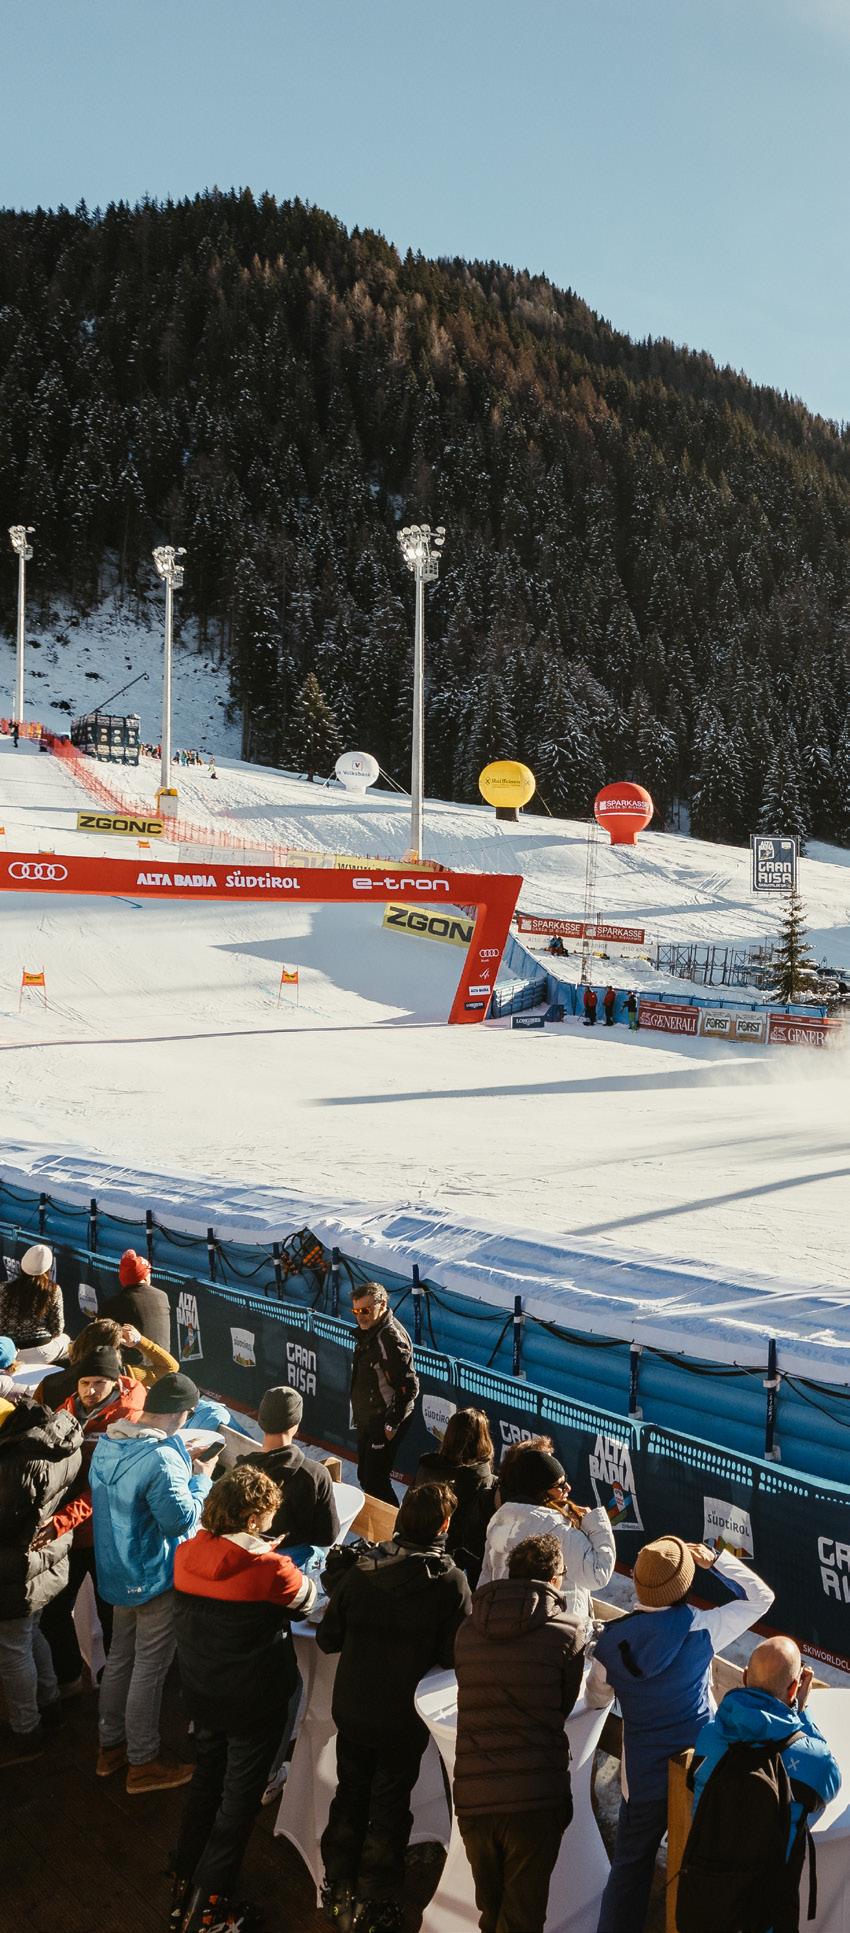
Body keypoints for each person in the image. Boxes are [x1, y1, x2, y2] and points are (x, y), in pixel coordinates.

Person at [586, 1533, 776, 1933]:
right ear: (686, 1583)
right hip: (700, 1774)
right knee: (704, 1863)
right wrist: (717, 1561)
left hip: (641, 1782)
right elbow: (762, 1598)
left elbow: (597, 1696)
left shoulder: (611, 1641)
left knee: (629, 1871)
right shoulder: (704, 1627)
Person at [318, 1480, 471, 1933]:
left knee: (350, 1793)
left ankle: (338, 1885)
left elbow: (328, 1638)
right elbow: (452, 1654)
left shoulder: (361, 1570)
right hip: (402, 1718)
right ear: (444, 1526)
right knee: (389, 1805)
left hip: (353, 1708)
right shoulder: (450, 1582)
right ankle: (376, 1900)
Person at [171, 1464, 318, 1933]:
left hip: (203, 1692)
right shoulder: (269, 1567)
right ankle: (207, 1911)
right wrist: (272, 1554)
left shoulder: (186, 1554)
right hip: (254, 1703)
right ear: (253, 1518)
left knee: (205, 1783)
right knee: (237, 1806)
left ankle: (184, 1882)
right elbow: (309, 1600)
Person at [454, 1533, 586, 1933]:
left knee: (492, 1913)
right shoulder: (568, 1632)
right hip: (534, 1798)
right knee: (522, 1920)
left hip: (475, 1798)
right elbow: (561, 1707)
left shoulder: (468, 1629)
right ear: (555, 1578)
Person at [90, 1370, 215, 1793]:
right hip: (154, 1576)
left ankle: (110, 1747)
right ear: (183, 1413)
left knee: (119, 1659)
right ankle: (143, 1762)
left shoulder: (109, 1442)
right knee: (149, 1668)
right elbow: (180, 1520)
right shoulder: (161, 1458)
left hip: (117, 1569)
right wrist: (201, 1478)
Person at [680, 1635, 841, 1933]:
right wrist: (801, 1712)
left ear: (744, 1677)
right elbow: (830, 1780)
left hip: (704, 1905)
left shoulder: (710, 1737)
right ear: (794, 1688)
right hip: (763, 1918)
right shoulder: (809, 1758)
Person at [40, 1345, 146, 1693]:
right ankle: (70, 1677)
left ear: (115, 1382)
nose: (90, 1390)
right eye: (85, 1382)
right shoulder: (66, 1409)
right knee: (53, 1612)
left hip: (108, 1537)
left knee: (112, 1617)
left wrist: (60, 1522)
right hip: (70, 1535)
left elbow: (104, 1488)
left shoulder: (127, 1422)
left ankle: (113, 1688)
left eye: (99, 1382)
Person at [0, 1392, 83, 1765]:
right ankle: (50, 1707)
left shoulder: (15, 1465)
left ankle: (26, 1732)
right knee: (31, 1635)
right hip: (38, 1568)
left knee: (12, 1650)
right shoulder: (55, 1441)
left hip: (13, 1573)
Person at [479, 1447, 615, 1628]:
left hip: (504, 1626)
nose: (568, 1487)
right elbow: (597, 1574)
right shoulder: (559, 1530)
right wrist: (596, 1524)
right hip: (558, 1630)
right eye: (560, 1484)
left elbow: (485, 1580)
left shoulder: (501, 1520)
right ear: (541, 1491)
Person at [236, 1385, 340, 1550]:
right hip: (292, 1557)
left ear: (261, 1421)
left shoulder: (241, 1469)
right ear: (295, 1424)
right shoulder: (315, 1473)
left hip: (249, 1552)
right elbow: (328, 1536)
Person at [350, 1283, 419, 1506]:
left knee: (375, 1481)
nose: (360, 1316)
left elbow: (409, 1386)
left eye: (366, 1310)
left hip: (383, 1419)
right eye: (356, 1311)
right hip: (369, 1418)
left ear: (382, 1305)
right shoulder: (370, 1331)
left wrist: (392, 1423)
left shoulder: (388, 1337)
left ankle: (392, 1525)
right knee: (365, 1477)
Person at [414, 1408, 497, 1586]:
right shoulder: (482, 1479)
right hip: (456, 1556)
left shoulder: (426, 1468)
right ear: (483, 1439)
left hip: (421, 1549)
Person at [33, 1314, 178, 1406]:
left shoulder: (49, 1383)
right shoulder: (128, 1376)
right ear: (116, 1351)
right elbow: (170, 1368)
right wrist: (140, 1341)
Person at [0, 1245, 65, 1357]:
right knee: (65, 1339)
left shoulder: (2, 1288)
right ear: (48, 1269)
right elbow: (57, 1329)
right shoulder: (53, 1290)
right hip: (41, 1351)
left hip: (7, 1352)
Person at [106, 1248, 173, 1355]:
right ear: (145, 1277)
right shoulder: (162, 1296)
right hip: (164, 1361)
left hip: (129, 1364)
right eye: (149, 1272)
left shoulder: (113, 1304)